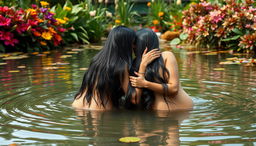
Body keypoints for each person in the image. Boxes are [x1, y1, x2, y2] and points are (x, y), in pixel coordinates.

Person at [72, 26, 136, 110]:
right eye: (133, 42)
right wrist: (142, 67)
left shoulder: (97, 59)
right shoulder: (122, 66)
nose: (134, 46)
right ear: (126, 44)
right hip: (101, 111)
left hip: (79, 104)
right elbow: (133, 98)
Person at [129, 28, 193, 111]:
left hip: (183, 110)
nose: (133, 46)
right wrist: (142, 66)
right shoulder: (135, 64)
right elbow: (135, 100)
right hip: (158, 115)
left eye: (135, 43)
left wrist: (145, 83)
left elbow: (174, 89)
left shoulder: (166, 56)